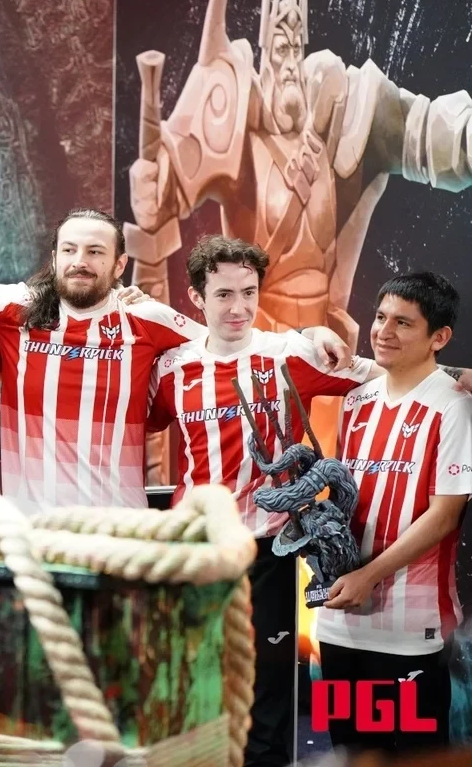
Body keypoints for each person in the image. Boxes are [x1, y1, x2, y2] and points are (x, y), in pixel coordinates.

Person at [0, 209, 347, 513]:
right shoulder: (15, 307)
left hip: (119, 535)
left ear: (119, 264)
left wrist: (305, 335)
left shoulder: (147, 318)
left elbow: (233, 340)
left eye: (96, 252)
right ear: (53, 258)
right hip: (31, 539)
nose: (80, 262)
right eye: (70, 250)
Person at [147, 236, 376, 767]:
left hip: (269, 548)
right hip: (199, 546)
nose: (239, 307)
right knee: (199, 679)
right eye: (224, 294)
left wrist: (458, 379)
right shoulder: (172, 369)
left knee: (269, 685)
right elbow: (138, 417)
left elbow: (383, 374)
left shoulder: (290, 354)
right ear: (196, 297)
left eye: (248, 292)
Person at [314, 272, 472, 757]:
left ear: (439, 338)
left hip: (410, 630)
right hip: (339, 622)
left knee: (412, 760)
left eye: (403, 323)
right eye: (381, 317)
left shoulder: (455, 407)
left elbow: (444, 517)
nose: (384, 331)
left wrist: (369, 575)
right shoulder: (356, 400)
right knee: (350, 755)